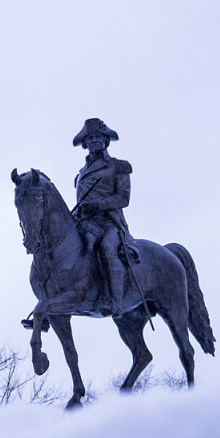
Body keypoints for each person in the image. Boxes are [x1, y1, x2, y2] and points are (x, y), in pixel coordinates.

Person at [72, 117, 134, 318]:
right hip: (85, 223)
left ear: (106, 140)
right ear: (85, 143)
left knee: (107, 247)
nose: (95, 141)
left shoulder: (119, 166)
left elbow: (124, 198)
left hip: (109, 222)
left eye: (99, 137)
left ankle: (115, 302)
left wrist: (98, 205)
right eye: (91, 138)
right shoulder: (80, 174)